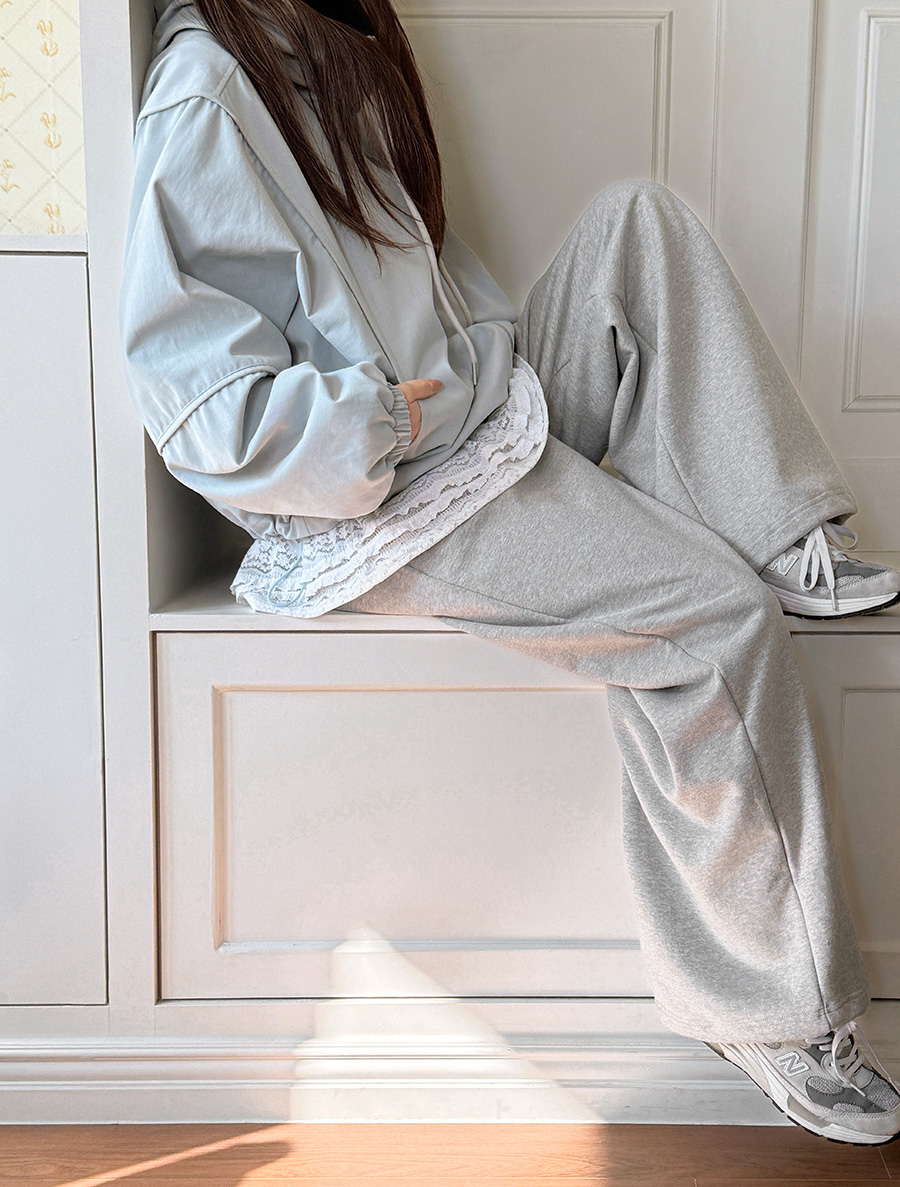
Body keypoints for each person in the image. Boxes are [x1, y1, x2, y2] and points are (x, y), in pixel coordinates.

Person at [119, 0, 900, 1143]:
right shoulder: (206, 94)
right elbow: (197, 410)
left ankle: (772, 521)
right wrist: (382, 421)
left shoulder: (327, 38)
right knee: (719, 621)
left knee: (638, 226)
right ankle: (772, 1007)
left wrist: (465, 376)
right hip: (394, 506)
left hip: (476, 422)